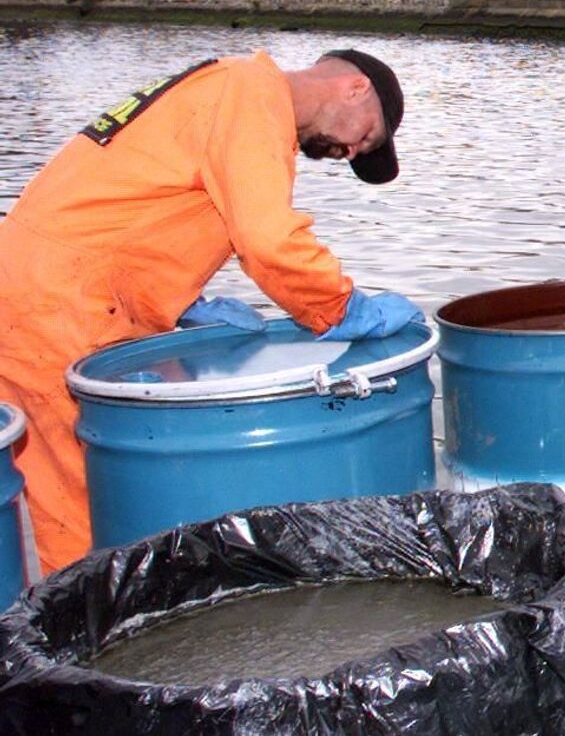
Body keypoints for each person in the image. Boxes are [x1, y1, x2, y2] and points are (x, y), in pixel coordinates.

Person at [0, 49, 424, 573]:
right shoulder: (252, 96)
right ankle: (96, 633)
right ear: (356, 87)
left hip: (42, 287)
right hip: (56, 305)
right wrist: (338, 306)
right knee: (92, 500)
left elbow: (136, 198)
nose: (352, 151)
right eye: (370, 137)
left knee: (73, 486)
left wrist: (176, 300)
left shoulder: (228, 87)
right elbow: (267, 238)